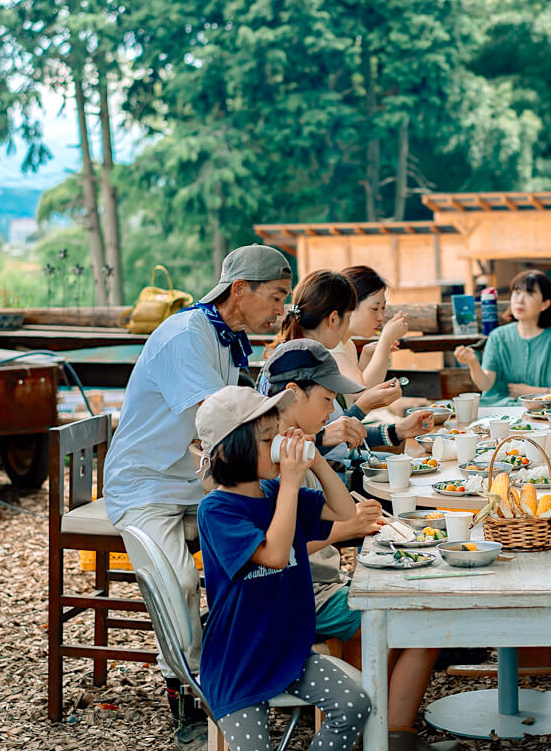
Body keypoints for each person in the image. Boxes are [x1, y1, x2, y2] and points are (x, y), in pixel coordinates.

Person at [103, 244, 292, 748]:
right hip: (145, 485)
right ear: (239, 290)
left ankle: (249, 653)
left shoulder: (228, 337)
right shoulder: (187, 337)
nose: (280, 311)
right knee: (179, 580)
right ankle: (187, 693)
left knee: (279, 534)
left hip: (192, 480)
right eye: (276, 297)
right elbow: (219, 431)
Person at [261, 339, 458, 751]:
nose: (333, 410)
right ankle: (388, 733)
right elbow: (274, 552)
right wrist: (346, 529)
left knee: (413, 606)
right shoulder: (272, 462)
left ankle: (383, 721)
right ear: (293, 395)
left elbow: (328, 509)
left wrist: (353, 509)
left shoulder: (295, 445)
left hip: (316, 582)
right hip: (297, 594)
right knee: (419, 621)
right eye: (328, 398)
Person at [194, 386, 369, 751]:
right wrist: (290, 482)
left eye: (279, 435)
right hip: (238, 662)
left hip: (287, 651)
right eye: (267, 439)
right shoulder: (217, 511)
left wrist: (315, 459)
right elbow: (273, 554)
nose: (278, 446)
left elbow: (344, 511)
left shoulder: (275, 494)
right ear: (230, 450)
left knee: (354, 705)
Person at [264, 270, 433, 472]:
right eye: (349, 314)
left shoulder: (314, 355)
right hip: (318, 480)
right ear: (334, 318)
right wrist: (362, 408)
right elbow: (286, 448)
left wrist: (397, 431)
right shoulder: (295, 363)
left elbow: (340, 433)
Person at [452, 270, 551, 406]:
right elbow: (485, 384)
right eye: (516, 292)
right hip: (499, 413)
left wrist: (534, 393)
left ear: (544, 304)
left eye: (529, 294)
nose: (520, 300)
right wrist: (473, 364)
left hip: (542, 413)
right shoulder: (497, 336)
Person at [330, 266, 410, 398]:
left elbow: (352, 399)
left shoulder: (347, 344)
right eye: (375, 308)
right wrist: (385, 341)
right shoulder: (331, 345)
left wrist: (367, 356)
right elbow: (361, 392)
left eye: (383, 308)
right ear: (350, 306)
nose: (381, 317)